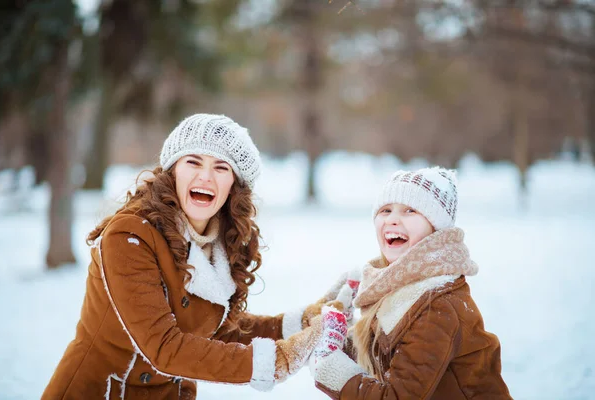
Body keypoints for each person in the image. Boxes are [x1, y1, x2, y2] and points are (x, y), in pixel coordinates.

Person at [42, 113, 354, 399]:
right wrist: (277, 359)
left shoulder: (218, 244)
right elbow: (164, 347)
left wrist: (300, 323)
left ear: (234, 185)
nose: (206, 177)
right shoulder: (130, 235)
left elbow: (219, 328)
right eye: (193, 162)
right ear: (173, 170)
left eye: (221, 168)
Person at [312, 167, 512, 399]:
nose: (393, 219)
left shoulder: (435, 305)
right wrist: (340, 340)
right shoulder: (396, 283)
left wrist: (335, 372)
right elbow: (390, 359)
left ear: (436, 229)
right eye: (385, 210)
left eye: (410, 210)